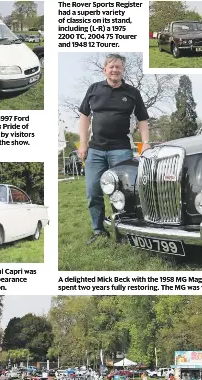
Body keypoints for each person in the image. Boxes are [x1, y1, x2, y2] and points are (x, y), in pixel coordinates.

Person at [78, 53, 150, 245]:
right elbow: (84, 117)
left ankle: (124, 231)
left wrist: (146, 144)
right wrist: (83, 143)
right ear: (105, 70)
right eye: (111, 67)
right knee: (93, 191)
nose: (115, 70)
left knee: (124, 192)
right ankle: (98, 230)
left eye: (118, 67)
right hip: (95, 150)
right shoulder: (94, 89)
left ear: (123, 70)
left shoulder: (132, 93)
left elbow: (142, 119)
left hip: (121, 150)